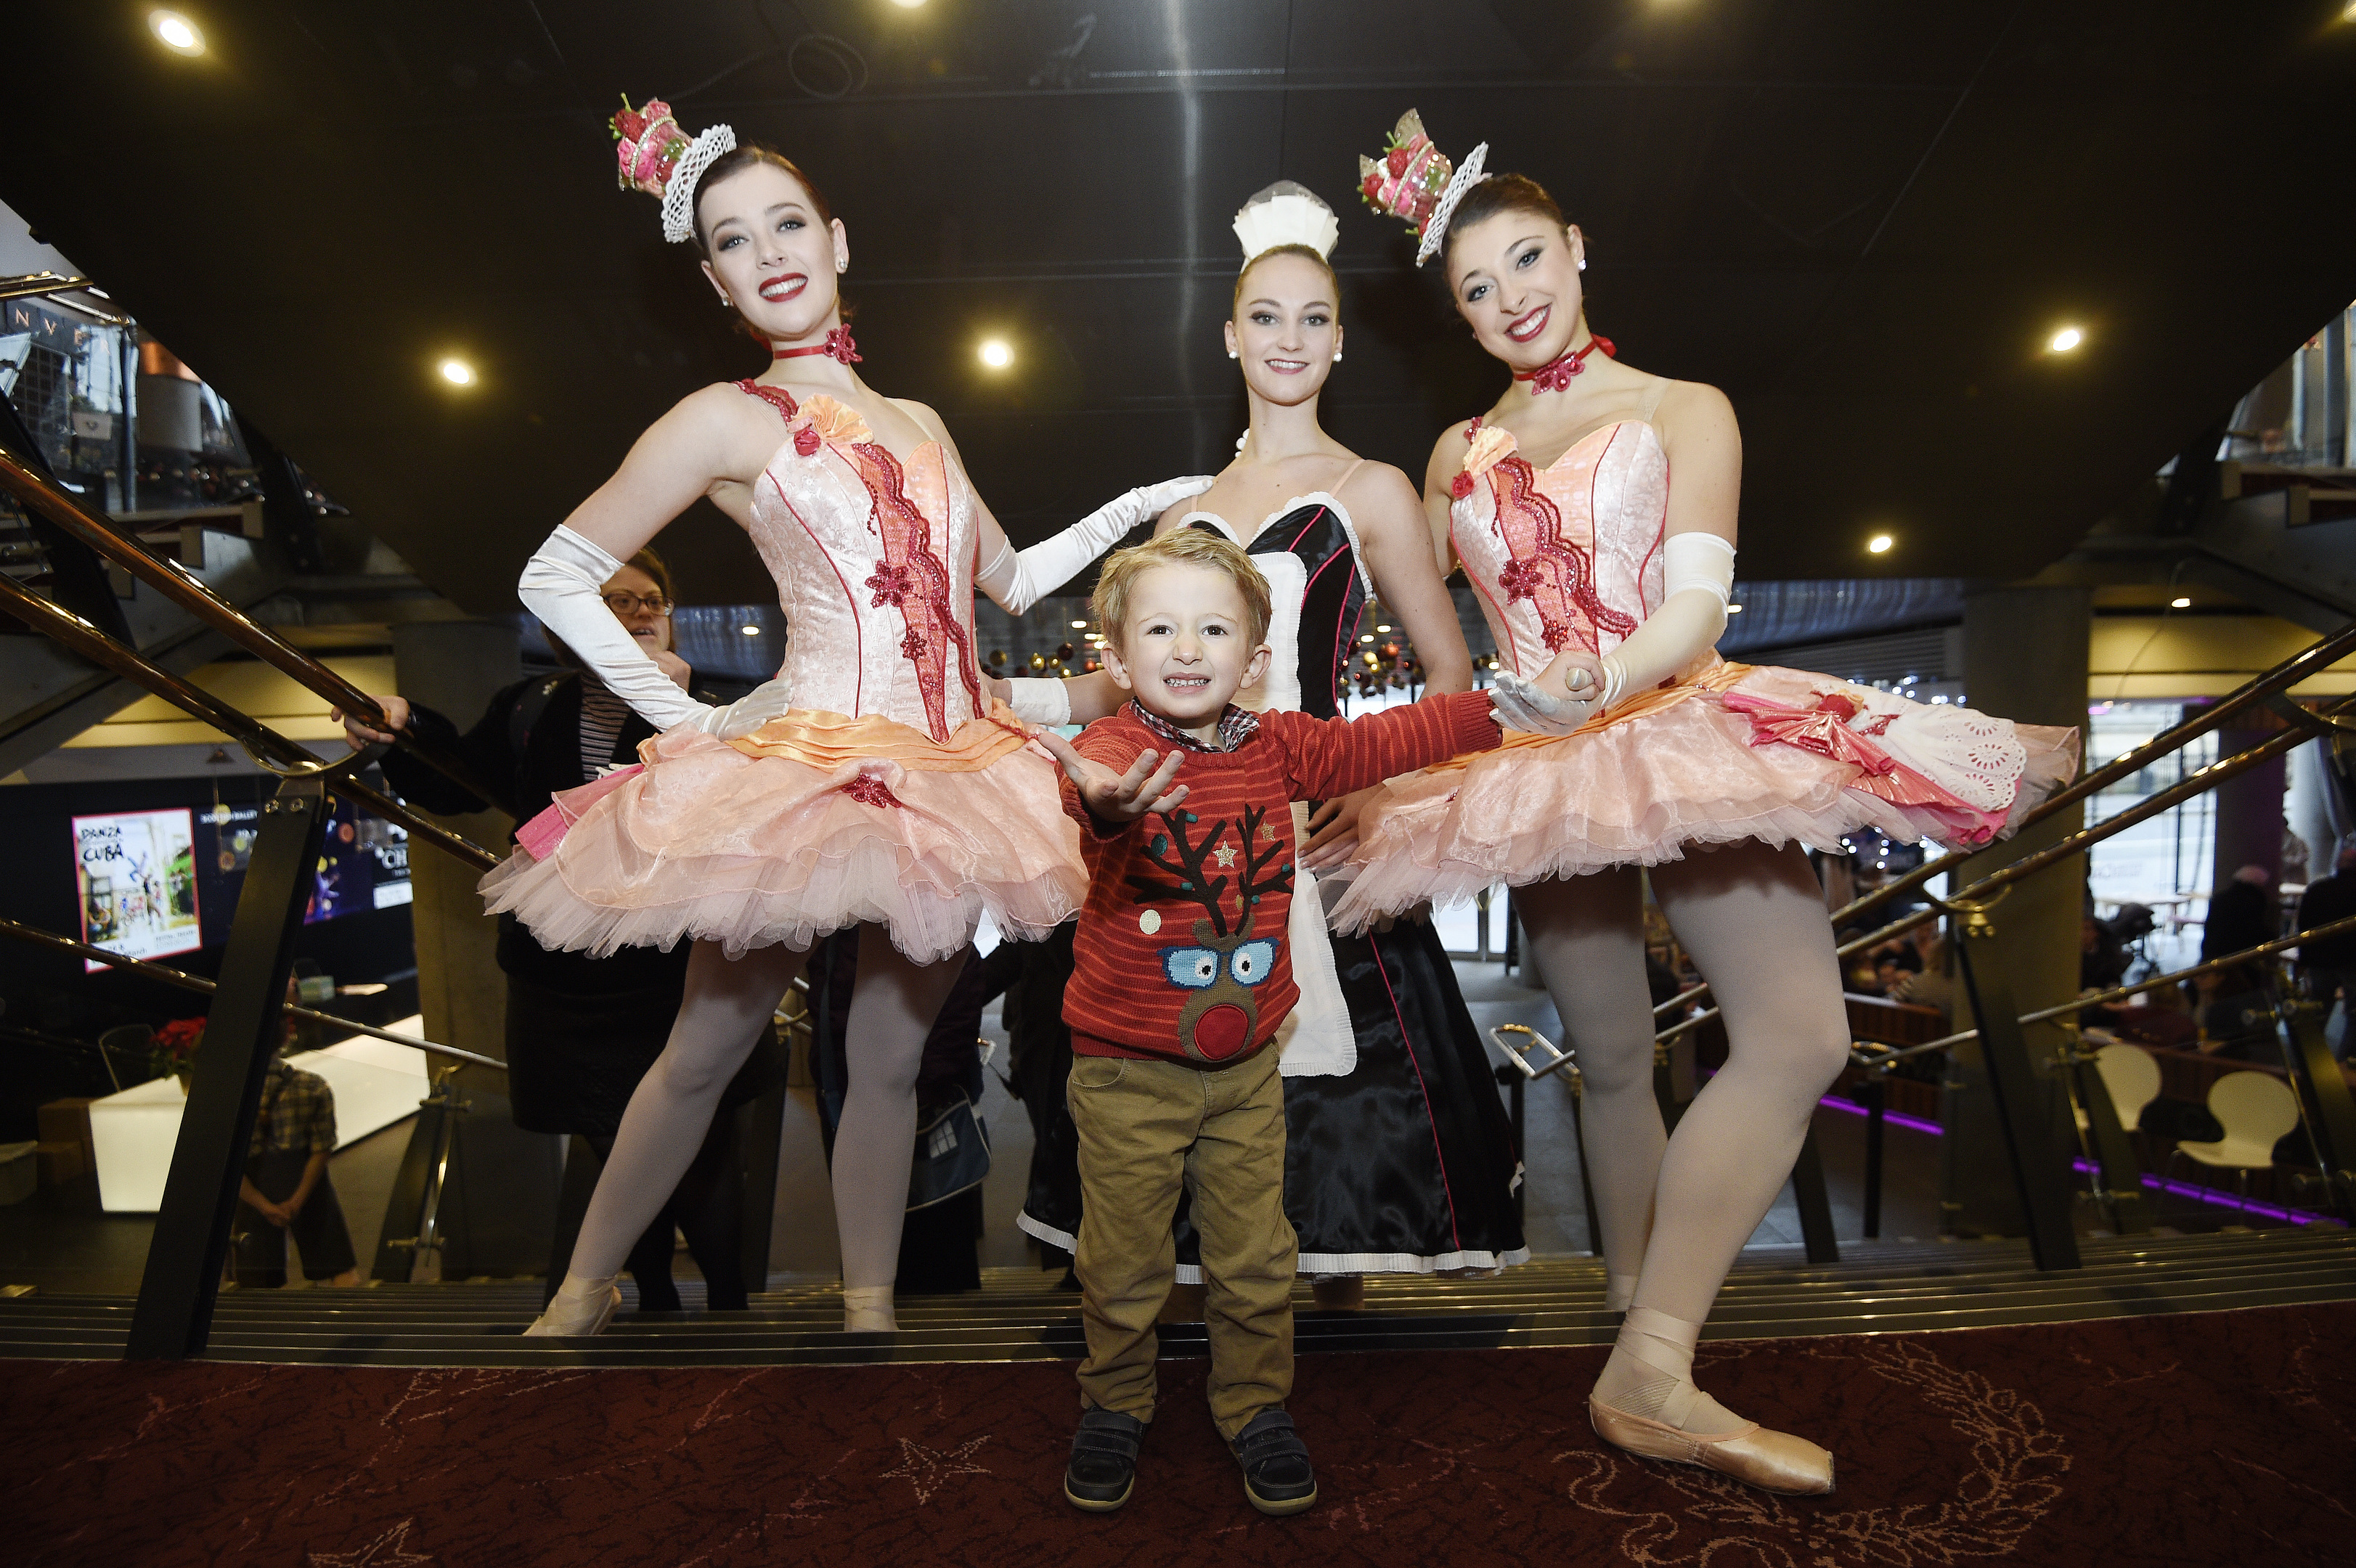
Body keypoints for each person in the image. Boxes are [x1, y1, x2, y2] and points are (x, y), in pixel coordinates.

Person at [1337, 109, 2081, 1495]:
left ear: (1576, 249)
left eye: (1527, 260)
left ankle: (1654, 1358)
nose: (1510, 298)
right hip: (1535, 769)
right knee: (1611, 1056)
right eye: (1476, 285)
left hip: (1676, 724)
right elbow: (1452, 650)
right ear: (1456, 306)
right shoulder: (1452, 457)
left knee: (1798, 1036)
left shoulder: (1683, 408)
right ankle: (1634, 1328)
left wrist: (1597, 681)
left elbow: (1691, 604)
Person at [491, 101, 1207, 1336]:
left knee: (885, 1061)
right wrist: (690, 719)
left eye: (784, 224)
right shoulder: (726, 418)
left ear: (835, 238)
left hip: (946, 775)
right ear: (712, 277)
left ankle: (870, 1308)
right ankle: (584, 1284)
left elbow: (1014, 583)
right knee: (706, 1048)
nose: (766, 252)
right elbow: (553, 571)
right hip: (803, 769)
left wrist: (1143, 501)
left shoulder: (923, 422)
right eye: (730, 239)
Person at [1008, 181, 1526, 1296]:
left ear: (1338, 342)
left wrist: (1381, 797)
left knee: (1333, 1116)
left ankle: (1302, 1363)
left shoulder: (1372, 488)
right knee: (1163, 1086)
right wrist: (1016, 703)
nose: (1287, 339)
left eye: (1311, 319)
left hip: (1315, 819)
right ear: (1229, 337)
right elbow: (1129, 690)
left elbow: (1448, 674)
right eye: (1266, 317)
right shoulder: (1175, 510)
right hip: (1175, 838)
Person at [1034, 530, 1509, 1516]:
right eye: (1160, 628)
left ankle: (1253, 1408)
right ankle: (1116, 1403)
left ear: (1252, 655)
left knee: (1255, 1254)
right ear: (1117, 658)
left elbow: (1387, 741)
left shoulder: (1279, 741)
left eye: (1213, 628)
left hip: (1247, 1058)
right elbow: (1097, 799)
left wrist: (1496, 709)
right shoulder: (1117, 747)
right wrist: (1111, 806)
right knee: (1124, 1260)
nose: (1188, 648)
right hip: (1126, 1066)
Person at [334, 547, 767, 1314]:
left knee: (702, 1153)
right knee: (615, 1155)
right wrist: (401, 726)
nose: (640, 612)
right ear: (575, 620)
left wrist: (674, 706)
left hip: (679, 969)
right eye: (619, 600)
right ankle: (656, 1302)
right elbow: (458, 778)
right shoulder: (531, 705)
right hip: (567, 979)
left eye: (652, 600)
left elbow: (745, 811)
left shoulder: (713, 704)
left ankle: (731, 1309)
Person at [232, 996, 361, 1289]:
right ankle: (354, 1327)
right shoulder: (313, 1086)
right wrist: (297, 1200)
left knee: (255, 1281)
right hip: (305, 1183)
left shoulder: (226, 1095)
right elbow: (322, 1149)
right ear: (285, 1037)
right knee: (339, 1267)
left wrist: (264, 1206)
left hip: (251, 1190)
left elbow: (226, 1164)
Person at [2297, 838, 2356, 1058]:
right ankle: (2347, 1059)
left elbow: (2304, 926)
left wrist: (2304, 959)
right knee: (2354, 1013)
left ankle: (2311, 1058)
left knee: (2317, 1010)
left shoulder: (2317, 889)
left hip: (2319, 961)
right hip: (2351, 962)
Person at [2202, 864, 2277, 965]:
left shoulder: (2220, 898)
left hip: (2216, 950)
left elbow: (2211, 927)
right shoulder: (2255, 901)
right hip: (2244, 954)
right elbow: (2254, 928)